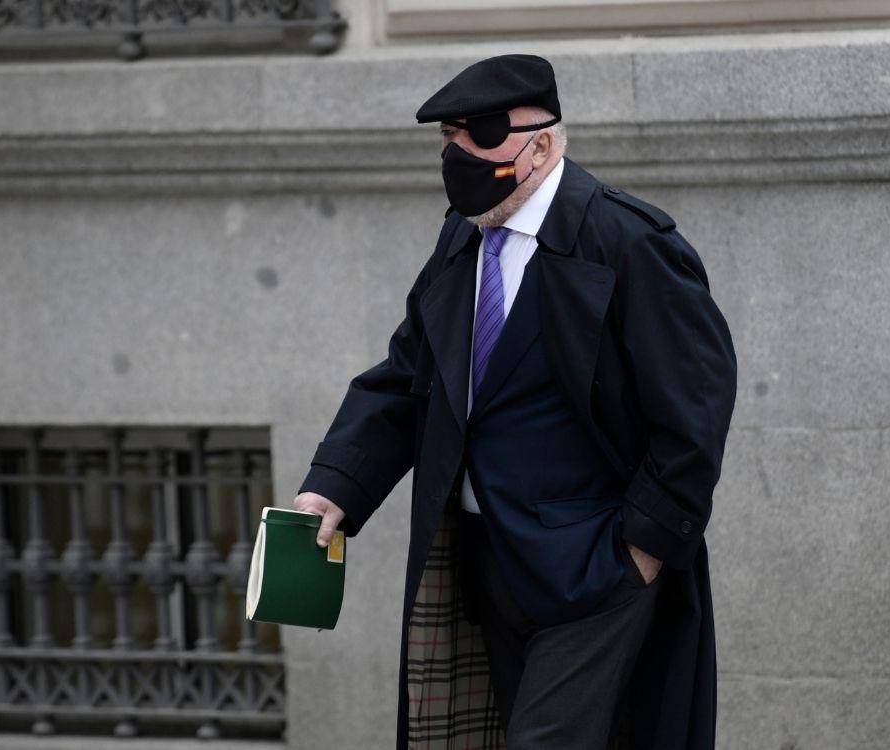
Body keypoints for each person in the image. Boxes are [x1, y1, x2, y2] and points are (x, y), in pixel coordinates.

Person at [294, 53, 737, 750]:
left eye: (482, 132)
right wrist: (334, 487)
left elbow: (696, 408)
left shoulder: (627, 242)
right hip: (489, 566)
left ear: (543, 143)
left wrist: (640, 553)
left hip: (594, 571)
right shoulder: (461, 239)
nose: (458, 152)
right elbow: (410, 376)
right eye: (449, 136)